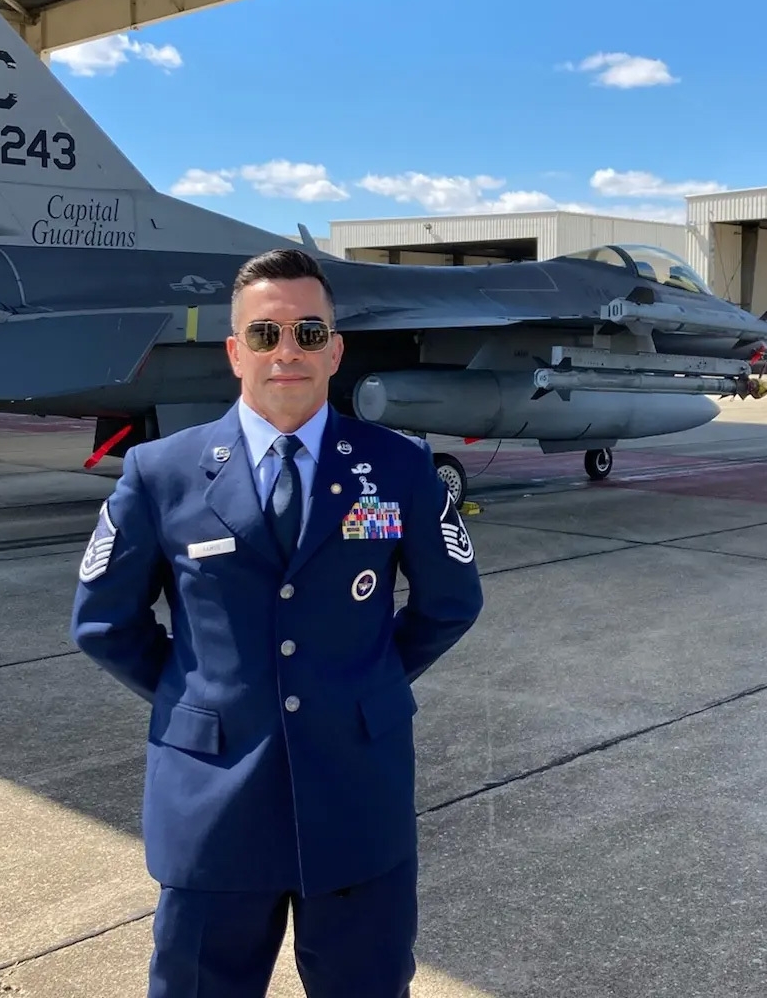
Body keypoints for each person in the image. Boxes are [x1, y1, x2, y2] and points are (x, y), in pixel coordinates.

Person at [70, 247, 484, 998]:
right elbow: (103, 622)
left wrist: (367, 679)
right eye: (264, 334)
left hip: (357, 795)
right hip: (213, 801)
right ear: (235, 352)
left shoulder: (398, 467)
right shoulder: (160, 473)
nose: (286, 352)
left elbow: (450, 601)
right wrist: (200, 695)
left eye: (309, 332)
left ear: (336, 350)